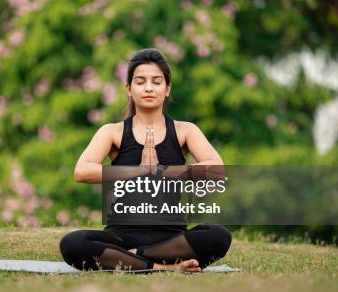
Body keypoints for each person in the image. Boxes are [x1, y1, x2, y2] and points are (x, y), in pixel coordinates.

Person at [60, 48, 231, 273]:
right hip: (120, 237)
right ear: (129, 89)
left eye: (157, 82)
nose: (149, 88)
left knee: (219, 236)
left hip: (171, 240)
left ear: (167, 89)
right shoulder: (113, 132)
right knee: (73, 243)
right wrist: (135, 170)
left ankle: (134, 259)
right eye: (140, 82)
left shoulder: (185, 131)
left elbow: (217, 170)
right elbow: (81, 172)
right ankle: (162, 267)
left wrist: (164, 171)